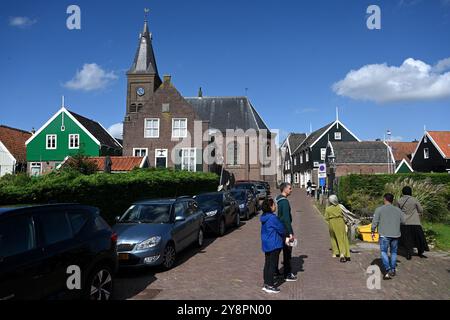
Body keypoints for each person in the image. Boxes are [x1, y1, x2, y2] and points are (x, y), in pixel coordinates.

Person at [371, 193, 405, 280]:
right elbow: (404, 221)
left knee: (383, 252)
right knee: (393, 252)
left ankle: (388, 269)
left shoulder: (379, 209)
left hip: (384, 234)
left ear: (384, 199)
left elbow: (375, 221)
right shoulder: (398, 210)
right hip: (396, 234)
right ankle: (393, 269)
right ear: (392, 200)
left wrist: (373, 230)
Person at [260, 198, 285, 294]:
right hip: (274, 243)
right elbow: (281, 229)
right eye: (274, 205)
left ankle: (266, 283)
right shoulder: (272, 218)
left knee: (267, 264)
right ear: (270, 207)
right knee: (272, 265)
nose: (275, 206)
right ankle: (270, 285)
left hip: (266, 243)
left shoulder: (264, 217)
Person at [397, 186, 429, 260]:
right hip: (415, 222)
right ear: (410, 192)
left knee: (407, 239)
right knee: (419, 238)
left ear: (403, 192)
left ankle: (408, 254)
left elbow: (397, 211)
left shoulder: (399, 200)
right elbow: (421, 210)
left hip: (404, 223)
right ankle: (420, 252)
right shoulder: (414, 200)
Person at [276, 183, 297, 282]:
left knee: (278, 251)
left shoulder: (278, 199)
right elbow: (286, 219)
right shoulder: (284, 202)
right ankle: (287, 274)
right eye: (290, 188)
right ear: (284, 189)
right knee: (287, 252)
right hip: (285, 230)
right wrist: (290, 233)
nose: (291, 190)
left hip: (280, 229)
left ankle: (276, 271)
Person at [325, 195, 351, 263]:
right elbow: (346, 213)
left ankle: (335, 253)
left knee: (333, 238)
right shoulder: (340, 206)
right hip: (339, 222)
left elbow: (326, 218)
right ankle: (342, 254)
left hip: (331, 223)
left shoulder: (328, 209)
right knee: (341, 238)